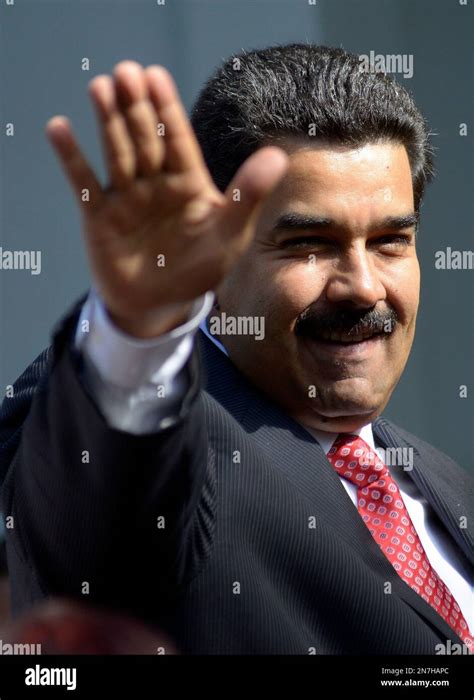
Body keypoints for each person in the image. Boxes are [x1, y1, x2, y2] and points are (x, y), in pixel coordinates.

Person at [0, 44, 472, 654]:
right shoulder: (165, 438)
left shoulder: (448, 486)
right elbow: (98, 518)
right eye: (308, 243)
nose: (362, 286)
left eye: (389, 241)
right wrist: (141, 324)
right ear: (214, 259)